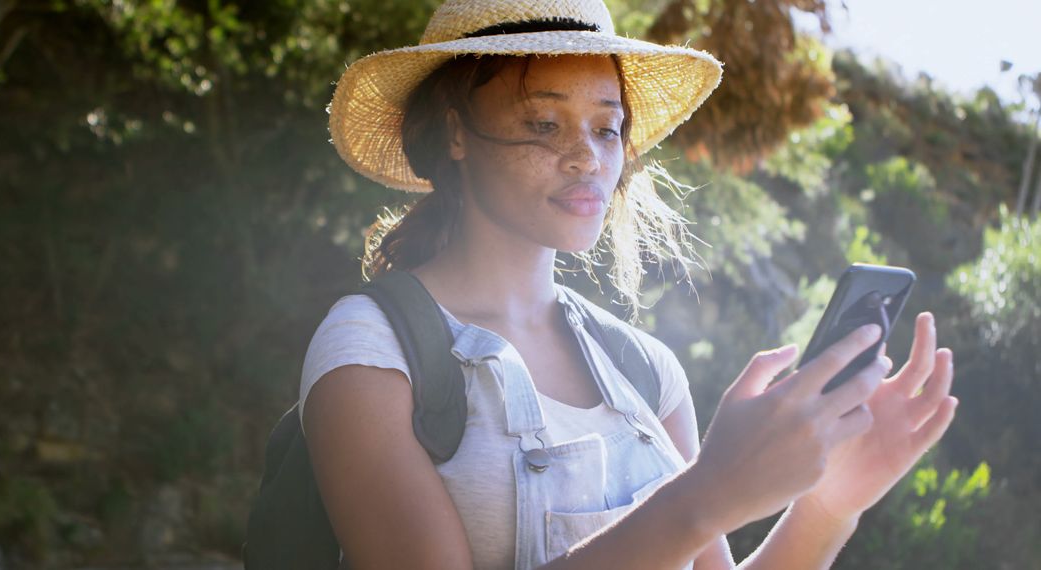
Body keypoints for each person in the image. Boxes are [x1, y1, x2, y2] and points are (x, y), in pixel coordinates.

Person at [299, 1, 958, 568]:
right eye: (543, 123)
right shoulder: (371, 350)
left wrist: (829, 503)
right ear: (453, 133)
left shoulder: (645, 371)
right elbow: (690, 516)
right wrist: (706, 496)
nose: (588, 156)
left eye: (607, 127)